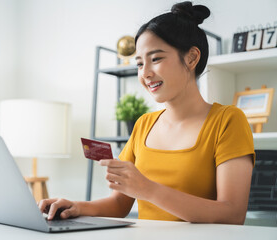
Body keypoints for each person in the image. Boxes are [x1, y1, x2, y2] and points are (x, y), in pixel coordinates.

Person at [39, 1, 255, 224]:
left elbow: (232, 214)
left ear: (192, 58)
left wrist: (148, 189)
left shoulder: (228, 121)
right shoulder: (143, 125)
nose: (146, 73)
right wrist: (76, 207)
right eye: (140, 64)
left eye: (156, 59)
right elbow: (119, 204)